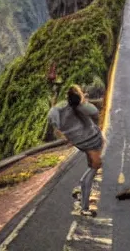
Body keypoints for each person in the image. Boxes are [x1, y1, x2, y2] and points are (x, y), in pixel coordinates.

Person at [48, 85, 104, 216]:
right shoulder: (81, 107)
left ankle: (80, 188)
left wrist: (65, 135)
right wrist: (84, 103)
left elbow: (54, 121)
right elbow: (94, 112)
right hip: (92, 139)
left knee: (93, 166)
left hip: (78, 142)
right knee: (95, 167)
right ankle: (84, 207)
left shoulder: (59, 109)